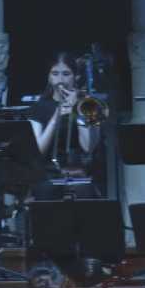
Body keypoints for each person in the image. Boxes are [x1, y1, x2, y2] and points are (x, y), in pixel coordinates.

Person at [28, 52, 103, 197]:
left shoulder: (91, 105)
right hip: (48, 175)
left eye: (66, 74)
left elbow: (88, 147)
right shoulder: (38, 108)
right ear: (49, 78)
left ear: (76, 77)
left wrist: (78, 109)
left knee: (85, 193)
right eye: (55, 74)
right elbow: (38, 151)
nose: (60, 80)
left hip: (81, 174)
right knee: (45, 192)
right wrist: (56, 116)